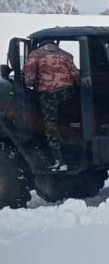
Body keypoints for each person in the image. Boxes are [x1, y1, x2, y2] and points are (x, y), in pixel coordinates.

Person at [23, 40, 80, 171]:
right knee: (65, 120)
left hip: (48, 95)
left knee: (50, 126)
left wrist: (31, 84)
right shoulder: (66, 55)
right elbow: (76, 76)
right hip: (67, 94)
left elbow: (29, 79)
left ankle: (59, 160)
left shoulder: (36, 54)